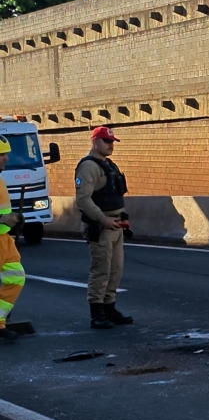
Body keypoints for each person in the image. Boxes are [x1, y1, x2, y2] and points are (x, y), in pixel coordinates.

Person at [75, 126, 133, 330]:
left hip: (115, 224)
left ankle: (110, 308)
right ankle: (97, 313)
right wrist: (102, 218)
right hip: (100, 226)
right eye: (106, 141)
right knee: (101, 270)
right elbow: (83, 199)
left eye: (112, 142)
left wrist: (121, 216)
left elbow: (114, 194)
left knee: (115, 269)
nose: (110, 146)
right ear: (95, 142)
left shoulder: (108, 165)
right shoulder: (89, 167)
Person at [0, 136, 26, 343]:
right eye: (1, 155)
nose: (6, 159)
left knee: (16, 277)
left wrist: (14, 221)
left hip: (3, 239)